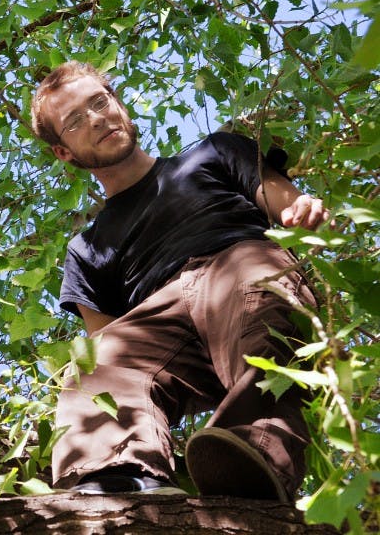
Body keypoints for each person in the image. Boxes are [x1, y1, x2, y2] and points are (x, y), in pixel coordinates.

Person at [29, 61, 327, 502]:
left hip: (238, 266)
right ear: (64, 152)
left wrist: (304, 212)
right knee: (92, 364)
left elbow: (290, 208)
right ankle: (117, 476)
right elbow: (108, 347)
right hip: (159, 321)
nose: (96, 118)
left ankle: (251, 455)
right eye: (75, 120)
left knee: (258, 298)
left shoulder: (213, 152)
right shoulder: (85, 249)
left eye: (100, 101)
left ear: (119, 104)